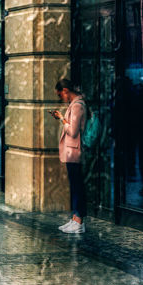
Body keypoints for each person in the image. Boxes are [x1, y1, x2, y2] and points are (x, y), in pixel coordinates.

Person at [51, 78, 87, 234]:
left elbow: (72, 131)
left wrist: (61, 118)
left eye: (61, 95)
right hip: (72, 150)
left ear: (66, 91)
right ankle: (74, 219)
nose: (61, 98)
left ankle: (79, 221)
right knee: (74, 185)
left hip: (75, 151)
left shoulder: (78, 105)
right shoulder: (74, 105)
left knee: (77, 186)